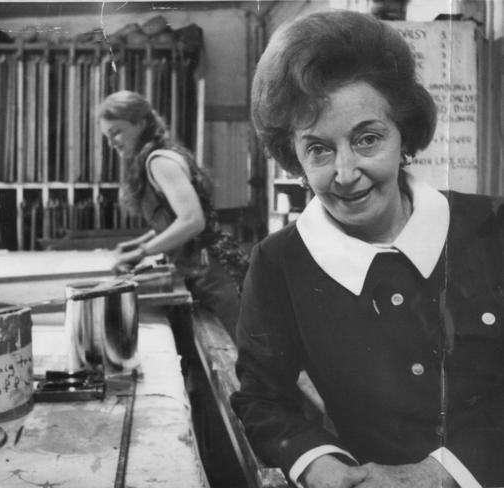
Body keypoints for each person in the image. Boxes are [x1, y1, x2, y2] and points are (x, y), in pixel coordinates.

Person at [231, 9, 504, 488]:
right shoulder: (279, 264)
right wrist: (319, 464)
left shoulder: (493, 229)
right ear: (292, 156)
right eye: (319, 149)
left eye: (368, 139)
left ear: (406, 136)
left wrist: (443, 474)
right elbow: (263, 400)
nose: (344, 171)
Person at [98, 90, 248, 339]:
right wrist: (140, 242)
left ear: (141, 123)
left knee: (235, 355)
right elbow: (172, 218)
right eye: (107, 136)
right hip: (202, 268)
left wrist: (143, 252)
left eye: (116, 132)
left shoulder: (159, 162)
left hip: (213, 270)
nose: (112, 142)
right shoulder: (157, 155)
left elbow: (192, 221)